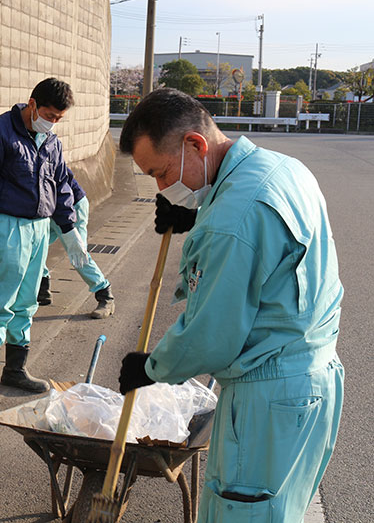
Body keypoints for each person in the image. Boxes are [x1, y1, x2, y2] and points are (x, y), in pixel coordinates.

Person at [117, 88, 344, 522]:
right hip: (313, 385)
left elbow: (211, 335)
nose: (162, 188)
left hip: (266, 398)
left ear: (195, 144)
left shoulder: (231, 221)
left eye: (161, 173)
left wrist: (151, 368)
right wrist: (197, 215)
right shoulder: (282, 169)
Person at [0, 78, 88, 409]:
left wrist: (69, 228)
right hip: (7, 224)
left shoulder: (51, 140)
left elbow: (60, 184)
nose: (53, 122)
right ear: (32, 104)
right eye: (49, 114)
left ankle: (16, 369)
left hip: (38, 228)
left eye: (59, 118)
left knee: (27, 301)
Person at [37, 170, 115, 318]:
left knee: (78, 254)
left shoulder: (48, 153)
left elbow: (63, 193)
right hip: (50, 211)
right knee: (34, 248)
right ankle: (42, 289)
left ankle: (105, 295)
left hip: (71, 207)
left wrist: (69, 230)